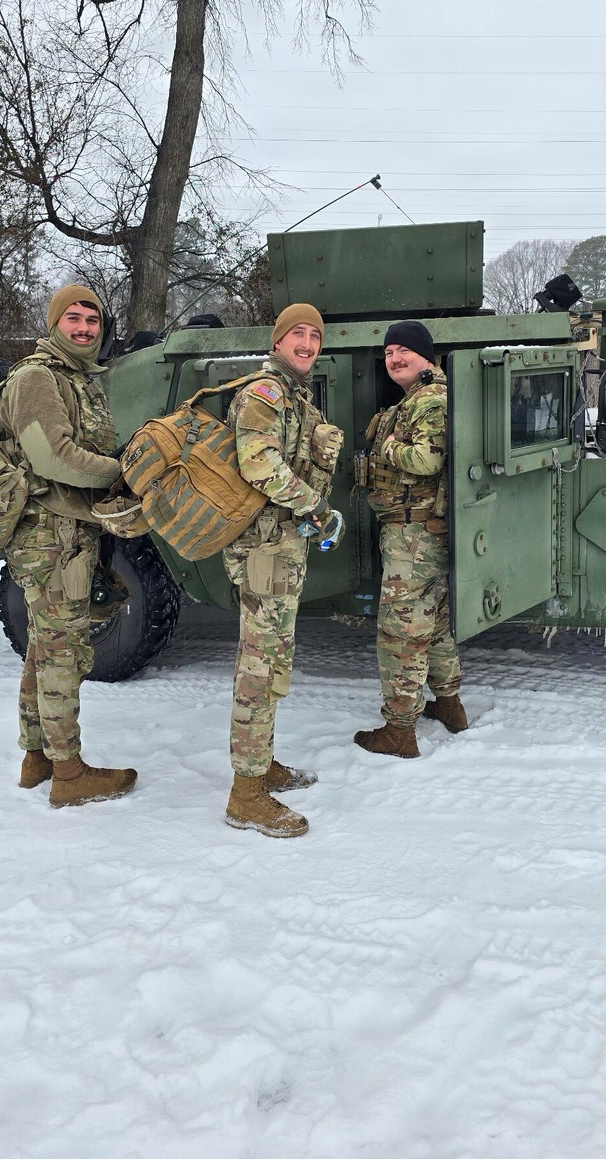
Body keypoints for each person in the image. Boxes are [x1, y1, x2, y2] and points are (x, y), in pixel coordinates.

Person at [0, 286, 137, 808]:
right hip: (51, 537)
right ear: (54, 323)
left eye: (93, 320)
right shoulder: (38, 377)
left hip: (63, 533)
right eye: (74, 319)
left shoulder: (75, 378)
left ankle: (37, 758)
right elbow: (52, 458)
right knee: (63, 651)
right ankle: (70, 773)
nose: (85, 328)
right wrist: (123, 473)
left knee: (42, 646)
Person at [222, 303, 344, 838]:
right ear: (277, 341)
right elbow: (257, 464)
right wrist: (313, 506)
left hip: (283, 546)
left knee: (274, 659)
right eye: (298, 333)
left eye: (315, 336)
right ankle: (245, 794)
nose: (308, 342)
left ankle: (261, 764)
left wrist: (322, 457)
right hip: (264, 549)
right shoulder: (264, 393)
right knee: (259, 663)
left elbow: (298, 470)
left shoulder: (299, 399)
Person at [355, 320, 466, 758]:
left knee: (401, 631)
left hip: (413, 534)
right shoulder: (417, 398)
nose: (394, 359)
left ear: (426, 356)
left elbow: (426, 458)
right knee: (433, 623)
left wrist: (384, 449)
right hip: (417, 531)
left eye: (403, 350)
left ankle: (399, 731)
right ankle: (451, 706)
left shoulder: (430, 399)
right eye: (388, 353)